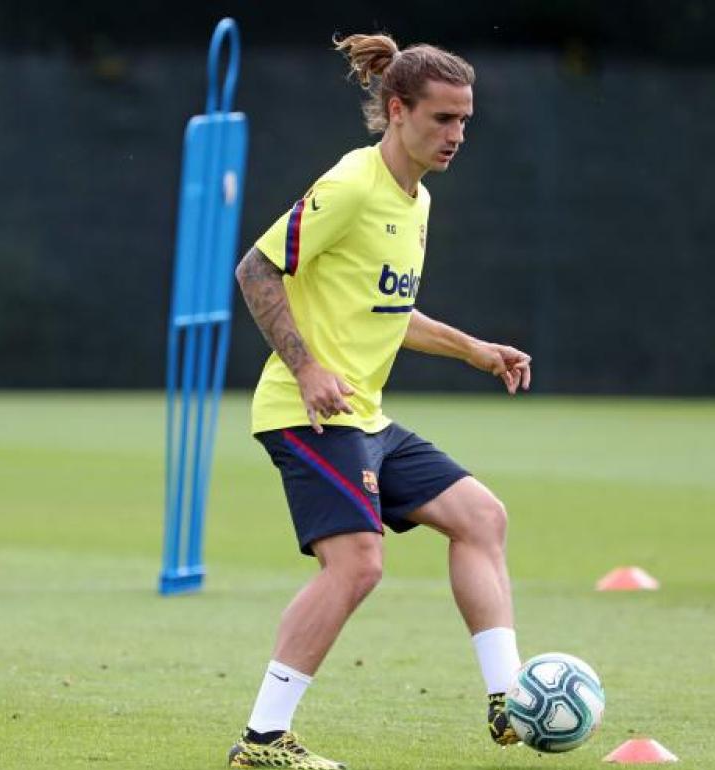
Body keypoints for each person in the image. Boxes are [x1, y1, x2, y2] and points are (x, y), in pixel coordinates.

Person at [227, 33, 532, 769]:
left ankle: (508, 702)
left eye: (465, 121)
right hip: (307, 414)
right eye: (442, 119)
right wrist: (304, 370)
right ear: (397, 111)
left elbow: (389, 314)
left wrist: (473, 349)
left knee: (481, 517)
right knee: (358, 564)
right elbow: (256, 270)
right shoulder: (353, 185)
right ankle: (262, 740)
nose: (457, 135)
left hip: (363, 415)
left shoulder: (415, 199)